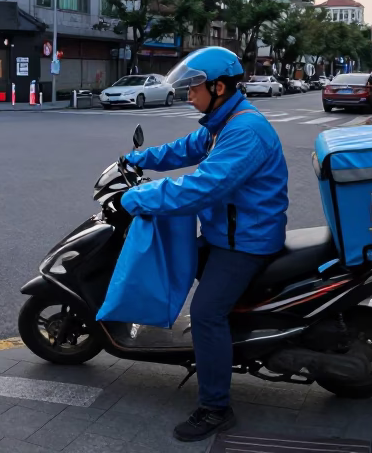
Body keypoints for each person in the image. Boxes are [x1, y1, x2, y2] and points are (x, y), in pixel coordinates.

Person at [98, 47, 289, 442]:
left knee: (205, 314)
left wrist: (136, 198)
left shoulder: (245, 131)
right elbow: (183, 149)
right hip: (228, 234)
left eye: (195, 88)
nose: (189, 95)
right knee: (175, 261)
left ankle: (215, 408)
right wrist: (137, 159)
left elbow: (204, 187)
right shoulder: (223, 122)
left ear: (219, 87)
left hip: (246, 243)